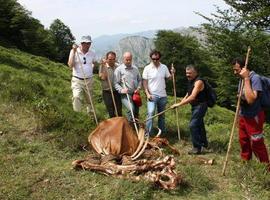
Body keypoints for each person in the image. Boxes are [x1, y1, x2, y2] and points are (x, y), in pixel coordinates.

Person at [232, 58, 269, 165]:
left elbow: (251, 99)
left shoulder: (254, 78)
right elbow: (242, 97)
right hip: (243, 115)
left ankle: (265, 167)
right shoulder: (241, 78)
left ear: (244, 68)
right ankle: (246, 163)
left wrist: (246, 79)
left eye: (237, 70)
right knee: (243, 140)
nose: (235, 73)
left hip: (254, 116)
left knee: (256, 143)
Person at [171, 65, 208, 155]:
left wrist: (179, 104)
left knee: (193, 125)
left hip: (200, 105)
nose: (187, 75)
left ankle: (196, 148)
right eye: (186, 73)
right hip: (195, 106)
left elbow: (192, 96)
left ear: (195, 73)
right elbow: (188, 93)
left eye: (190, 73)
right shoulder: (191, 81)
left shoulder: (198, 82)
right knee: (199, 124)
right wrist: (181, 102)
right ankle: (204, 143)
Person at [142, 50, 173, 136]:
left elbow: (169, 78)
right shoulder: (147, 68)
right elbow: (144, 82)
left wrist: (172, 73)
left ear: (160, 58)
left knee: (162, 115)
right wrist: (147, 94)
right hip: (152, 95)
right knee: (151, 113)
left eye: (157, 58)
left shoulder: (164, 67)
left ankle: (162, 134)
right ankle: (148, 134)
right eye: (153, 59)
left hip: (163, 95)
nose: (155, 60)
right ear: (151, 58)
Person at [67, 35, 97, 113]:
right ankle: (77, 115)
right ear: (81, 43)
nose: (87, 45)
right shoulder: (74, 51)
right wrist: (73, 51)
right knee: (76, 97)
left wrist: (91, 68)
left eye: (89, 43)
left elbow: (94, 62)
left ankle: (91, 116)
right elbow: (70, 65)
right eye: (85, 43)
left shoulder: (92, 52)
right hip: (77, 79)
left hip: (89, 79)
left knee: (90, 100)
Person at [114, 52, 142, 122]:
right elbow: (115, 83)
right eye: (127, 60)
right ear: (123, 59)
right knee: (131, 109)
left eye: (130, 59)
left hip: (135, 94)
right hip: (125, 95)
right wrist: (121, 90)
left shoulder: (135, 68)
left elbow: (140, 80)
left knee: (136, 111)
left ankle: (136, 127)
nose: (128, 61)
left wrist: (138, 88)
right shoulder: (119, 70)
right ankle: (129, 126)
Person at [99, 51, 122, 117]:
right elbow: (103, 78)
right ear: (106, 59)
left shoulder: (118, 66)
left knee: (119, 111)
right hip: (107, 92)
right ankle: (113, 125)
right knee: (111, 112)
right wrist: (104, 67)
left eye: (113, 59)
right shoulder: (103, 66)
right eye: (110, 59)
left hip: (116, 91)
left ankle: (119, 125)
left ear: (115, 59)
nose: (112, 61)